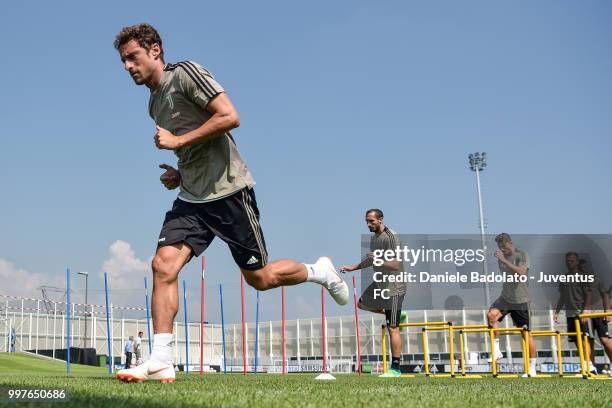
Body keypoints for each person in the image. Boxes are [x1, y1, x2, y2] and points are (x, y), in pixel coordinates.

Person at [113, 23, 348, 383]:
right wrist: (179, 172)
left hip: (229, 194)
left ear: (155, 50)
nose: (128, 66)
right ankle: (161, 359)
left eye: (133, 57)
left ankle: (319, 271)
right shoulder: (153, 102)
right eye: (123, 61)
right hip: (192, 199)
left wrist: (177, 143)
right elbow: (189, 145)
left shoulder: (187, 73)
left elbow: (229, 116)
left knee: (261, 278)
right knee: (163, 266)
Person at [340, 209, 406, 378]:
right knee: (361, 303)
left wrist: (378, 259)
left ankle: (396, 369)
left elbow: (395, 264)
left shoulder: (390, 237)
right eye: (366, 221)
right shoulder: (374, 238)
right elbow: (371, 259)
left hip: (394, 287)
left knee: (393, 328)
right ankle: (395, 314)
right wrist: (352, 267)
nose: (368, 224)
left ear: (381, 219)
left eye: (371, 221)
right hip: (380, 283)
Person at [486, 233, 537, 377]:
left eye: (504, 246)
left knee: (526, 336)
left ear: (510, 243)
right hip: (506, 297)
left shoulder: (522, 254)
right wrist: (503, 259)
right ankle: (496, 350)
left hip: (521, 300)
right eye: (500, 247)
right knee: (491, 315)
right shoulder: (501, 258)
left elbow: (522, 273)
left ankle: (532, 368)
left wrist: (504, 260)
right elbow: (507, 274)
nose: (503, 249)